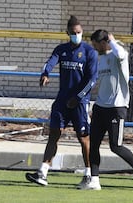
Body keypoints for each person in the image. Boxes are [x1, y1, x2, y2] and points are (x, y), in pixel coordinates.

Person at [25, 15, 98, 188]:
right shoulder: (61, 49)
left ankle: (89, 175)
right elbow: (49, 62)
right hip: (62, 100)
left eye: (79, 32)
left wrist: (78, 97)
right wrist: (45, 74)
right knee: (54, 134)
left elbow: (92, 79)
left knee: (83, 138)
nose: (76, 35)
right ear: (67, 33)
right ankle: (43, 172)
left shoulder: (89, 52)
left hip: (79, 101)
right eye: (73, 33)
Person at [81, 29, 133, 190]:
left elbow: (120, 54)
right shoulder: (101, 59)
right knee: (94, 144)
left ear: (104, 42)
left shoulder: (119, 54)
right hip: (100, 107)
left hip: (116, 108)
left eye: (96, 44)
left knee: (115, 146)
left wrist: (112, 40)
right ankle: (95, 181)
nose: (95, 48)